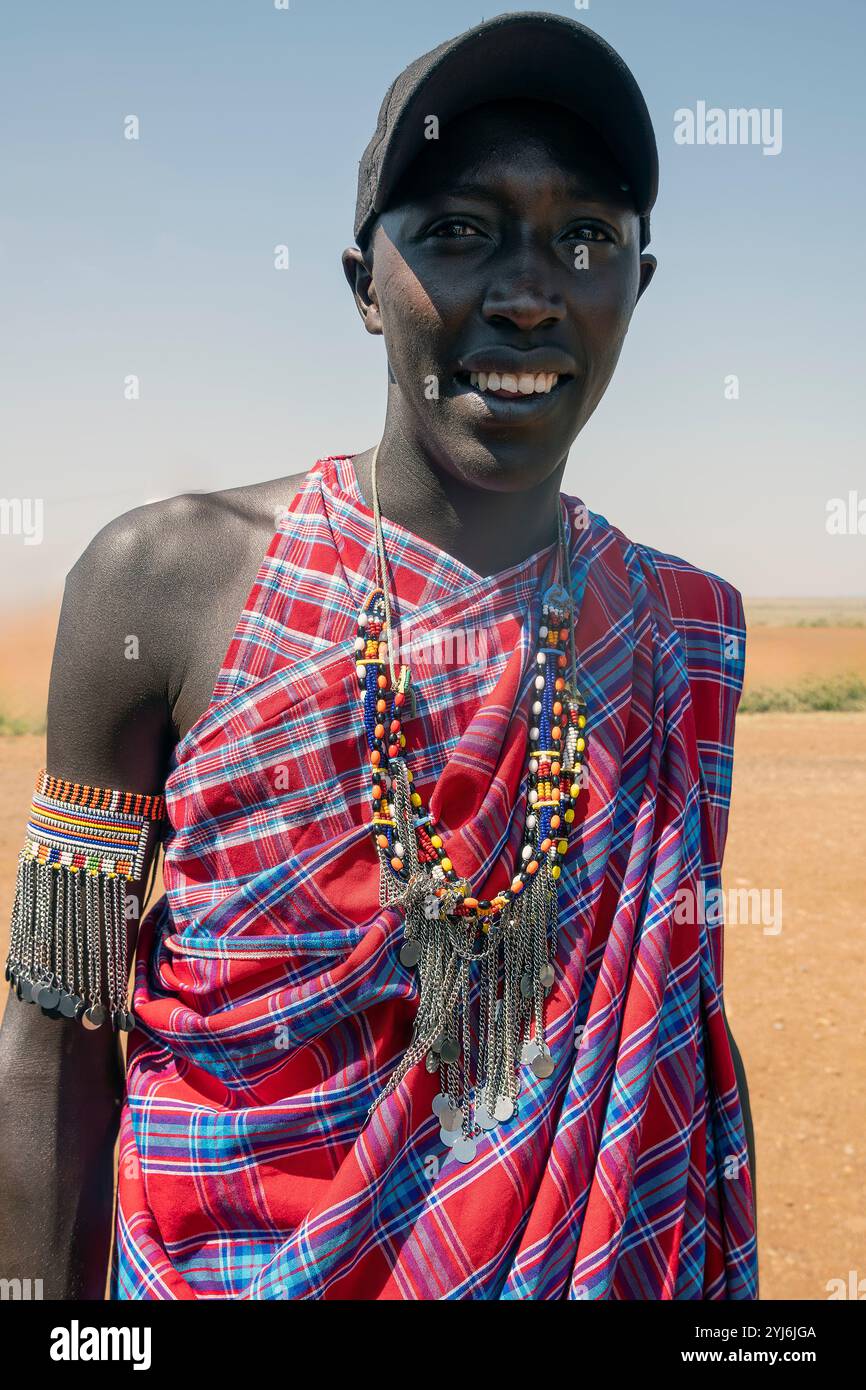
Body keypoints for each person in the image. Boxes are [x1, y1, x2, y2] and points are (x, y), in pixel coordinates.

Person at [0, 12, 757, 1300]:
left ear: (639, 284)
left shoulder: (681, 631)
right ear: (362, 283)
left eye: (586, 240)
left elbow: (668, 1065)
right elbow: (57, 1021)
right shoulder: (167, 580)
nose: (527, 293)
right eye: (460, 234)